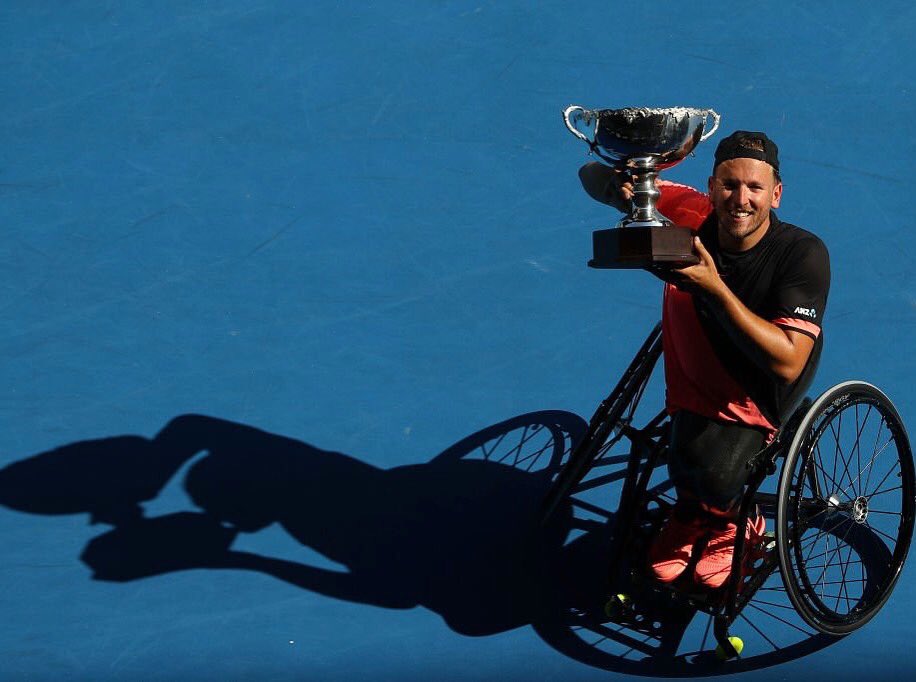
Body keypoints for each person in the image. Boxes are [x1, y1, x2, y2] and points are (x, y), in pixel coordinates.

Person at [579, 131, 830, 588]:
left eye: (755, 188)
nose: (741, 199)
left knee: (713, 471)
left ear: (775, 195)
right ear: (711, 188)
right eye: (730, 186)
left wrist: (714, 289)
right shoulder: (687, 210)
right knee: (684, 465)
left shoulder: (802, 253)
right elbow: (590, 175)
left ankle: (738, 525)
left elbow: (790, 362)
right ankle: (694, 517)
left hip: (761, 379)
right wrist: (641, 170)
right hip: (694, 376)